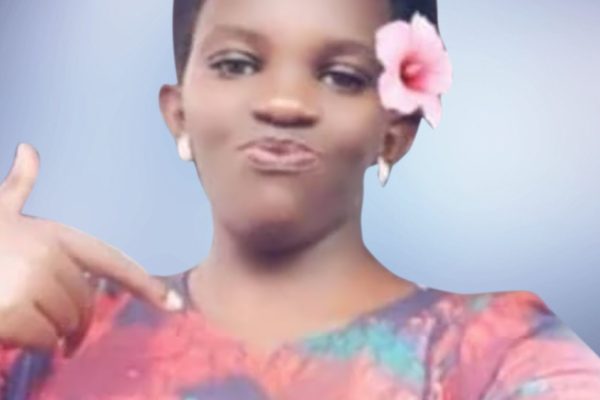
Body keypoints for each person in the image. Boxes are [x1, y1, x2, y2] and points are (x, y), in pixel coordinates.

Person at [1, 0, 599, 398]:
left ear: (395, 132)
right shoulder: (49, 334)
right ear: (178, 113)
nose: (284, 104)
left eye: (342, 76)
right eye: (237, 64)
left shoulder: (493, 354)